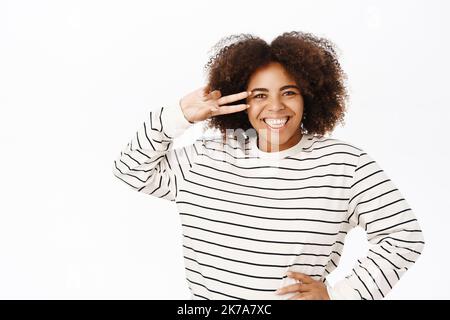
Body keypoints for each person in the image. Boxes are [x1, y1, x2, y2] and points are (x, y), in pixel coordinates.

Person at [112, 31, 425, 300]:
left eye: (289, 92)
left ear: (310, 98)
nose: (275, 106)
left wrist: (340, 294)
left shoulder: (344, 165)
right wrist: (178, 115)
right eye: (259, 95)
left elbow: (404, 236)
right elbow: (130, 169)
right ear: (241, 101)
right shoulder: (206, 157)